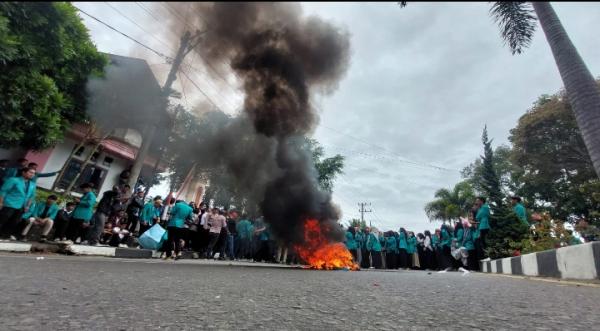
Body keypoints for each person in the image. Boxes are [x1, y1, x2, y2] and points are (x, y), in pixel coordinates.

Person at [0, 166, 36, 239]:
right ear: (23, 172)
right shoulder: (13, 180)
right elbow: (3, 191)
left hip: (22, 206)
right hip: (9, 204)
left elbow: (31, 196)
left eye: (34, 173)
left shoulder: (32, 184)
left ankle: (4, 236)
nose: (32, 174)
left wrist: (27, 206)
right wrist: (0, 202)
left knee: (14, 222)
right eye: (30, 172)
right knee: (3, 220)